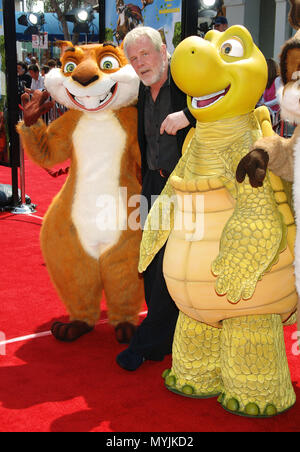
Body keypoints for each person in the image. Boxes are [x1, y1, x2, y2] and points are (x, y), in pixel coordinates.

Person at [116, 26, 196, 371]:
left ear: (164, 51)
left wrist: (189, 116)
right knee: (149, 263)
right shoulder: (141, 88)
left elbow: (235, 102)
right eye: (134, 59)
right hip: (151, 184)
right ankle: (164, 336)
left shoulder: (187, 81)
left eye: (145, 54)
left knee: (169, 264)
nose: (140, 63)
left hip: (184, 190)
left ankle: (148, 342)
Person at [257, 58, 282, 126]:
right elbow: (264, 99)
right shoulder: (265, 82)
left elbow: (279, 99)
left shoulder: (277, 80)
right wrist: (260, 103)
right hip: (268, 112)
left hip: (276, 114)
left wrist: (266, 104)